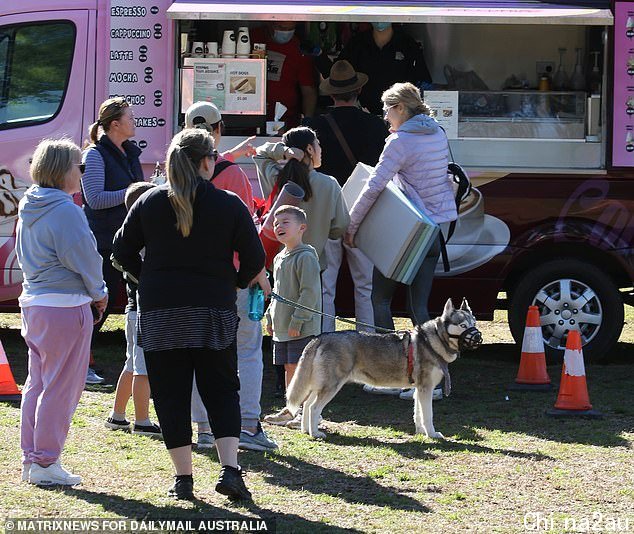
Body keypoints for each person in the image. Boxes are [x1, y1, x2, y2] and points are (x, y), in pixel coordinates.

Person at [112, 128, 264, 501]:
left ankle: (184, 478)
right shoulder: (229, 204)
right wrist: (234, 283)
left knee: (170, 394)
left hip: (162, 312)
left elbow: (119, 252)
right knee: (222, 390)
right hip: (213, 309)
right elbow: (256, 259)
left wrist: (146, 279)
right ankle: (230, 469)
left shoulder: (148, 202)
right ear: (207, 161)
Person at [344, 82, 457, 399]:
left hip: (407, 234)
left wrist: (351, 227)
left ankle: (389, 375)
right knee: (419, 307)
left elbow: (374, 186)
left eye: (387, 110)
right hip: (434, 232)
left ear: (401, 109)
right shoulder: (437, 132)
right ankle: (433, 380)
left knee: (380, 299)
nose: (384, 117)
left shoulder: (399, 142)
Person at [183, 101, 277, 453]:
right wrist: (258, 272)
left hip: (191, 280)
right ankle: (249, 425)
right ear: (218, 129)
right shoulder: (234, 176)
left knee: (199, 353)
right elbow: (248, 231)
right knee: (247, 350)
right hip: (234, 276)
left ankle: (205, 428)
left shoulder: (173, 175)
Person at [16, 139, 108, 486]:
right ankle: (45, 462)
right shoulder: (65, 209)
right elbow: (84, 257)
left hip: (36, 303)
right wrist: (99, 292)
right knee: (59, 388)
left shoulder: (31, 202)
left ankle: (34, 459)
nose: (82, 173)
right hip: (65, 306)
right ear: (62, 170)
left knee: (37, 385)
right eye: (78, 166)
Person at [305, 60, 389, 333]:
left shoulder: (313, 126)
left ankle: (326, 343)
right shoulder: (377, 126)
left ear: (330, 94)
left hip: (326, 211)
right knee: (365, 286)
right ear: (359, 91)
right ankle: (367, 347)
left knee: (326, 286)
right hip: (363, 211)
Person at [82, 97, 144, 385]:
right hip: (105, 241)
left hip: (130, 240)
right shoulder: (94, 155)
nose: (135, 121)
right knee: (98, 305)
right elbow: (94, 200)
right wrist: (133, 191)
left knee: (131, 305)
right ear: (115, 124)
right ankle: (80, 364)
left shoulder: (130, 152)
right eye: (130, 117)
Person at [105, 182, 161, 438]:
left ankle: (117, 416)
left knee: (132, 363)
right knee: (144, 368)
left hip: (132, 310)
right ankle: (142, 420)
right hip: (141, 310)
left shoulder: (128, 235)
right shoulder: (141, 238)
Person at [253, 126, 350, 272]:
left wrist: (284, 152)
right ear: (310, 149)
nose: (321, 149)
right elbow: (339, 227)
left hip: (278, 265)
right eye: (318, 144)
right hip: (312, 265)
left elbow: (260, 153)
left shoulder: (276, 178)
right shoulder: (329, 184)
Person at [263, 206, 321, 428]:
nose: (279, 227)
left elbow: (309, 292)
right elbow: (277, 292)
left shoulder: (306, 257)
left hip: (301, 327)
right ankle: (291, 409)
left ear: (302, 228)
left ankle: (308, 413)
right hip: (282, 327)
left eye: (285, 222)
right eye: (276, 223)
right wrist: (270, 317)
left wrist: (298, 320)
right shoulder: (279, 258)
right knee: (289, 367)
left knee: (301, 368)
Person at [339, 23, 432, 115]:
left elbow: (422, 80)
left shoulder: (407, 44)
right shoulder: (357, 43)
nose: (380, 19)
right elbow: (341, 75)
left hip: (400, 115)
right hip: (363, 114)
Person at [251, 22, 317, 129]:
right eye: (281, 28)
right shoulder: (252, 38)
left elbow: (308, 91)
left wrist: (307, 121)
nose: (286, 32)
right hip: (249, 119)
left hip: (286, 121)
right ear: (270, 24)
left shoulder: (299, 49)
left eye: (291, 29)